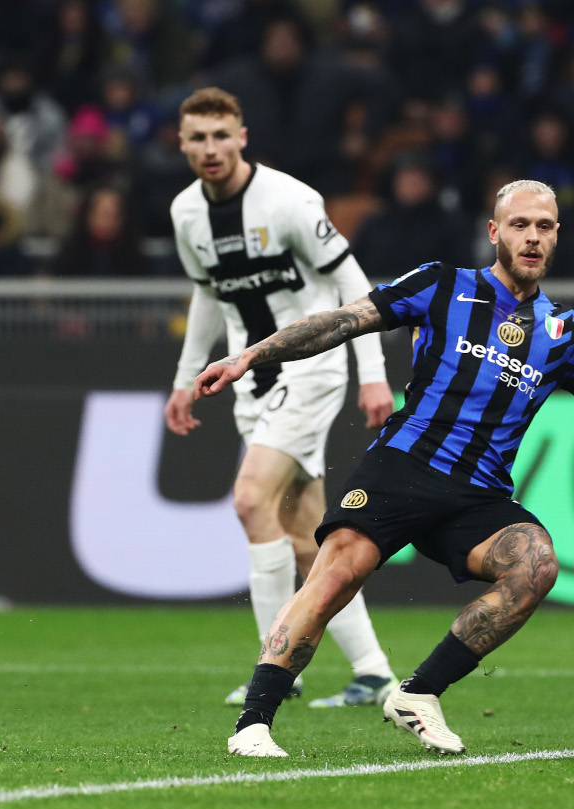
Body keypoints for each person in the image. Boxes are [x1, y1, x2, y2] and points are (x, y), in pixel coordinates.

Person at [195, 179, 574, 758]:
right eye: (520, 225)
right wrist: (251, 355)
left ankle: (418, 693)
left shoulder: (565, 331)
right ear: (495, 232)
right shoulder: (443, 285)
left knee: (535, 565)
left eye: (544, 227)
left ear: (557, 236)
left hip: (478, 495)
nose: (532, 237)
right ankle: (254, 723)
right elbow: (341, 321)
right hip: (404, 465)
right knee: (337, 573)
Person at [164, 87, 401, 711]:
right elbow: (209, 296)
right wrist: (185, 379)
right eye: (198, 138)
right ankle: (375, 672)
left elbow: (354, 285)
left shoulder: (290, 201)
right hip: (253, 382)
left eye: (221, 135)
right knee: (305, 537)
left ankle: (278, 667)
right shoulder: (187, 213)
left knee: (248, 500)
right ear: (182, 144)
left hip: (311, 368)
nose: (210, 149)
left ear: (242, 137)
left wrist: (371, 372)